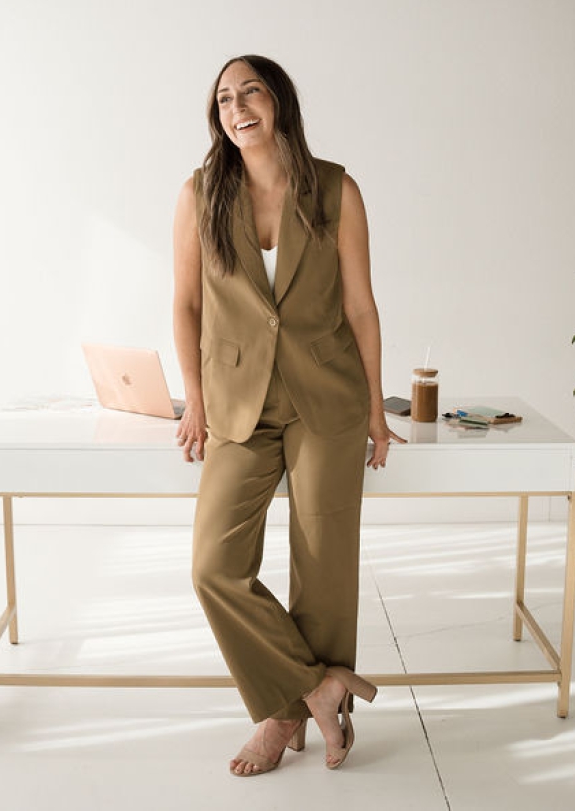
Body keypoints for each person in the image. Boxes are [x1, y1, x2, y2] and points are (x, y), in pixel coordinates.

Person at [171, 55, 404, 776]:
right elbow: (186, 306)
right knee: (214, 566)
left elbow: (360, 307)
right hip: (238, 404)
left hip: (325, 397)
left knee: (324, 561)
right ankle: (312, 691)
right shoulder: (200, 193)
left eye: (251, 92)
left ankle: (283, 723)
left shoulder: (335, 189)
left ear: (279, 104)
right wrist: (196, 403)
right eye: (223, 98)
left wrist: (375, 409)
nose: (237, 106)